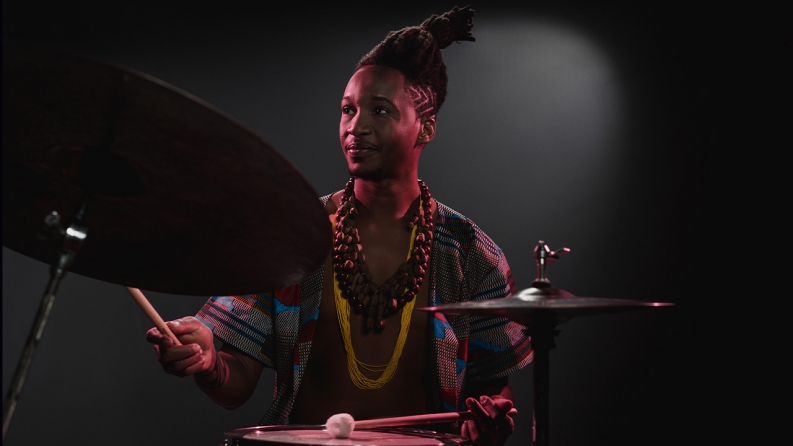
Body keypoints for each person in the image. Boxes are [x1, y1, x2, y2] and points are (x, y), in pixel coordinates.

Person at [146, 6, 532, 445]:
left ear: (425, 128)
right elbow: (234, 387)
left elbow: (493, 388)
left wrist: (490, 417)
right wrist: (206, 361)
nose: (356, 127)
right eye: (348, 110)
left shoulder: (471, 253)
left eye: (380, 110)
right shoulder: (290, 233)